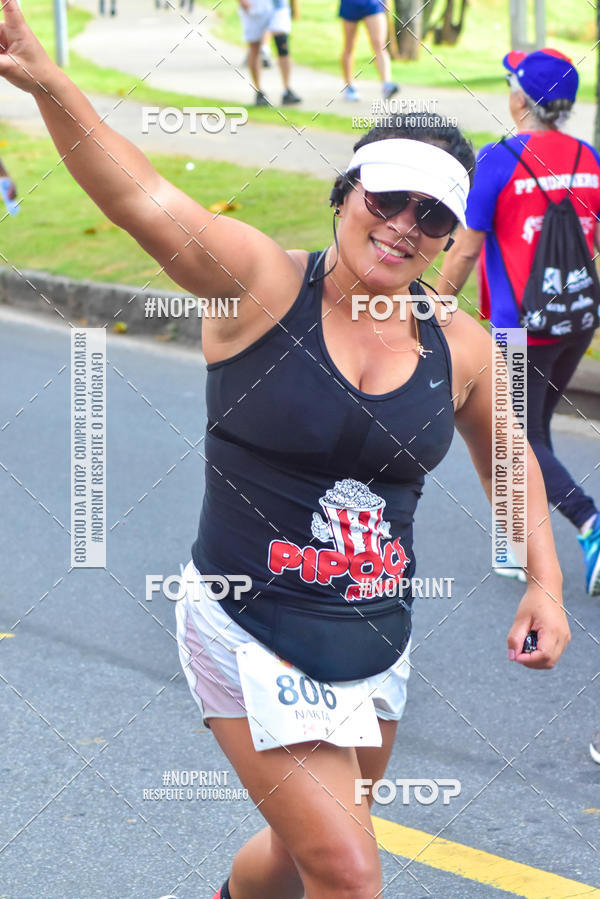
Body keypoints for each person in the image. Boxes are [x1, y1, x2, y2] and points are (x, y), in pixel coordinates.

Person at [0, 2, 571, 894]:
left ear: (450, 234)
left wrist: (544, 579)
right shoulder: (263, 284)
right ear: (346, 192)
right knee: (348, 869)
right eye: (386, 197)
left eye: (431, 215)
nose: (402, 225)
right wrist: (49, 81)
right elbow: (139, 195)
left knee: (304, 851)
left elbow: (511, 458)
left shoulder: (454, 341)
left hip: (373, 633)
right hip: (247, 621)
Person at [437, 48, 600, 599]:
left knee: (516, 438)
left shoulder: (499, 159)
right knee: (532, 430)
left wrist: (436, 303)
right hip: (574, 320)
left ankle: (589, 522)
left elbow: (462, 251)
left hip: (519, 330)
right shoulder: (589, 157)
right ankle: (514, 547)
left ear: (520, 101)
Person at [238, 0, 301, 106]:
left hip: (278, 5)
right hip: (255, 5)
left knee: (282, 44)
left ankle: (287, 89)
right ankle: (259, 91)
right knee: (255, 47)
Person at [339, 0, 398, 101]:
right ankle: (349, 86)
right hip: (350, 4)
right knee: (349, 46)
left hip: (373, 4)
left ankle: (387, 85)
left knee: (379, 44)